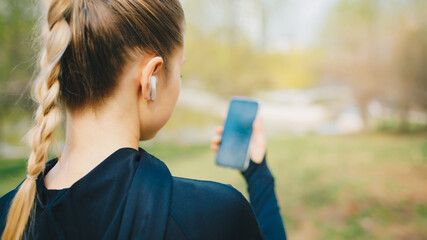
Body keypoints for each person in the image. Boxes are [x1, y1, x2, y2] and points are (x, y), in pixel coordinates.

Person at [0, 0, 287, 239]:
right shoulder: (216, 215)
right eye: (180, 73)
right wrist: (258, 175)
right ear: (151, 77)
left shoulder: (7, 215)